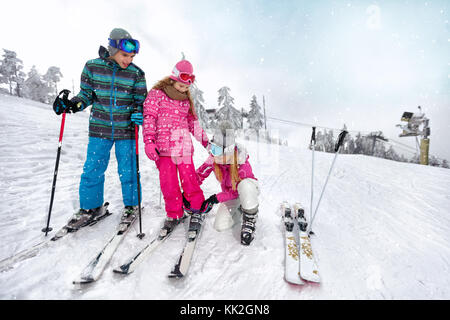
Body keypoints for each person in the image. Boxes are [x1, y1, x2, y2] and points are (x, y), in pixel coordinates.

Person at [52, 28, 147, 229]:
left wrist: (140, 113)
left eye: (131, 56)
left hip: (126, 131)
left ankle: (132, 205)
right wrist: (73, 105)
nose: (128, 60)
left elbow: (141, 102)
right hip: (99, 129)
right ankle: (91, 207)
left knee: (128, 170)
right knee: (92, 169)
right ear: (112, 49)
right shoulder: (92, 67)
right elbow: (87, 95)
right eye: (125, 55)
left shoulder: (136, 74)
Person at [142, 59, 209, 236]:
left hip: (183, 149)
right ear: (173, 78)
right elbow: (149, 118)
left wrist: (206, 142)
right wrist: (149, 141)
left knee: (190, 181)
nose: (184, 89)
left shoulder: (186, 101)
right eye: (181, 85)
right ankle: (174, 214)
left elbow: (193, 124)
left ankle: (196, 209)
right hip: (163, 150)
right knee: (168, 184)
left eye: (187, 87)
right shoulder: (156, 94)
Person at [196, 121, 260, 245]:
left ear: (228, 151)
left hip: (247, 190)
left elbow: (236, 191)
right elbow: (199, 175)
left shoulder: (241, 161)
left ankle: (250, 216)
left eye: (219, 151)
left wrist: (215, 199)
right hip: (231, 195)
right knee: (220, 225)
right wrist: (187, 190)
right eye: (214, 149)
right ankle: (241, 210)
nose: (215, 154)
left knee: (245, 186)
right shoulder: (214, 158)